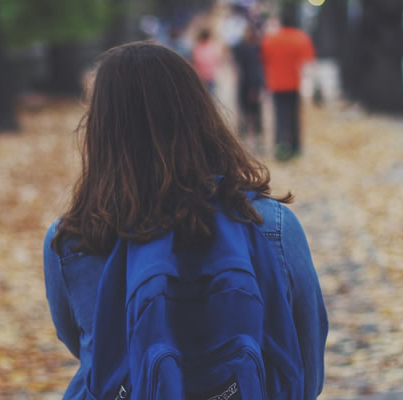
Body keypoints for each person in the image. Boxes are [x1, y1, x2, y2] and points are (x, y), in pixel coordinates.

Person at [43, 42, 327, 399]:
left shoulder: (71, 240)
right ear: (202, 116)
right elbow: (307, 370)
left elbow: (91, 351)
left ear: (101, 130)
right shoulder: (271, 225)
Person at [261, 11, 315, 161]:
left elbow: (264, 59)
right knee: (294, 117)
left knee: (279, 116)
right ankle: (296, 147)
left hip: (276, 83)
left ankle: (280, 147)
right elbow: (307, 63)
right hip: (294, 83)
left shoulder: (270, 39)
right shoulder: (301, 38)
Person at [232, 25, 266, 154]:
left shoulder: (252, 48)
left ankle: (253, 141)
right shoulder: (251, 48)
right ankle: (251, 141)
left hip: (250, 85)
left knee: (252, 114)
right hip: (247, 85)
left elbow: (255, 70)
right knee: (249, 113)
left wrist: (256, 86)